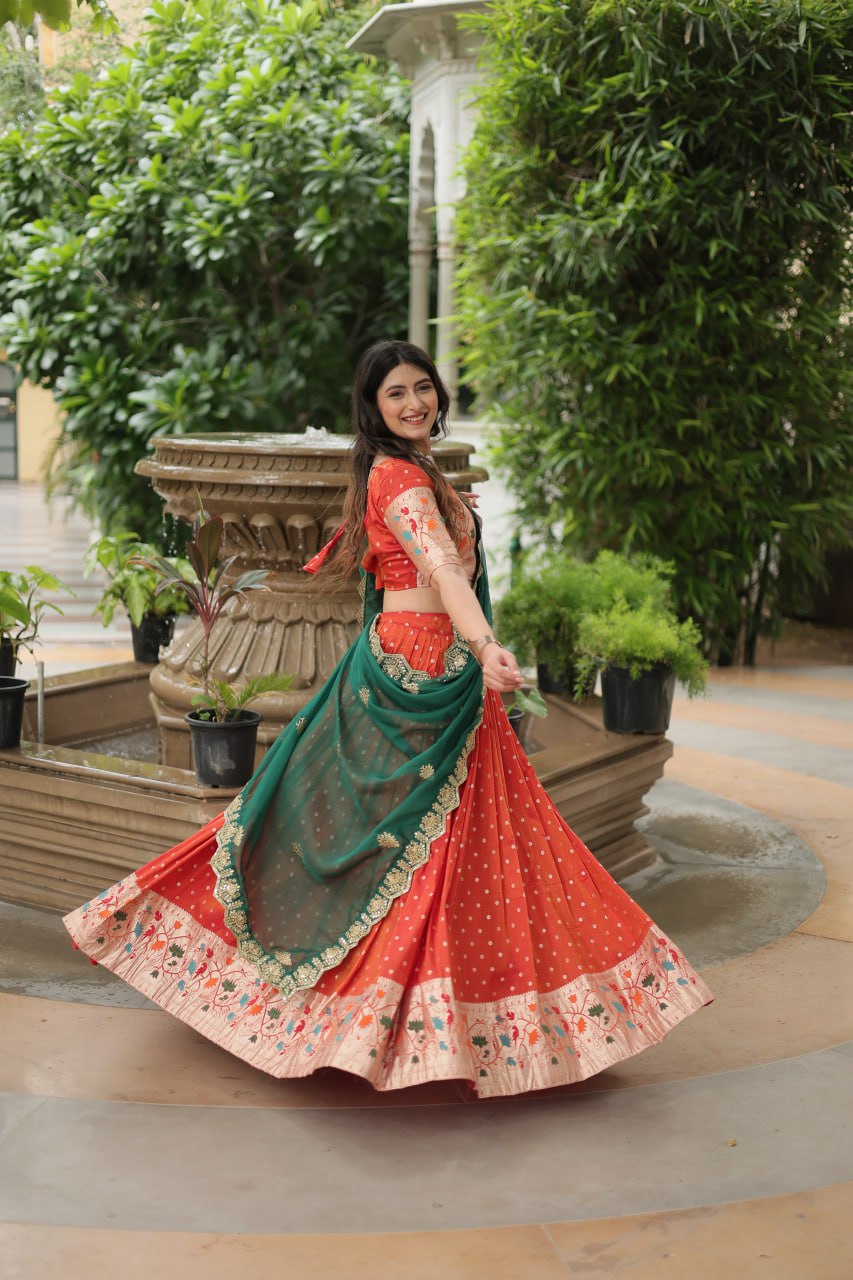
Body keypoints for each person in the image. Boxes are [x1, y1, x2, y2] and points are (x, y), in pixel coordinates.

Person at [64, 339, 712, 1097]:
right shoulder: (396, 475)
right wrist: (486, 642)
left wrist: (475, 650)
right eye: (395, 395)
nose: (414, 403)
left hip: (443, 674)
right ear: (372, 410)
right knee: (375, 839)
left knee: (472, 843)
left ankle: (447, 1019)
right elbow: (436, 567)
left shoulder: (422, 470)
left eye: (422, 388)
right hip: (417, 672)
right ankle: (372, 1017)